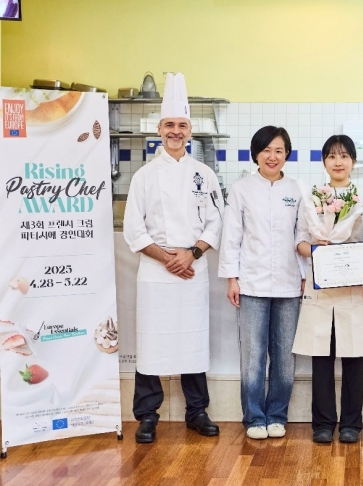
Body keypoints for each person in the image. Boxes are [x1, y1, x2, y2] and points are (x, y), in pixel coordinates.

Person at [123, 73, 222, 444]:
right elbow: (134, 230)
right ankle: (148, 415)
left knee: (192, 338)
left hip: (192, 268)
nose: (175, 132)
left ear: (190, 131)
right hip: (156, 270)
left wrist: (191, 254)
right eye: (169, 125)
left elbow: (216, 221)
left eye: (182, 125)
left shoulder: (204, 174)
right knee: (152, 340)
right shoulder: (144, 176)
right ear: (159, 130)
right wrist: (167, 258)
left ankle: (197, 411)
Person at [292, 135, 363, 444]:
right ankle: (323, 423)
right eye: (332, 156)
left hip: (354, 286)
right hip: (322, 286)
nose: (338, 162)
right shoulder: (313, 197)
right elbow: (299, 241)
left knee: (354, 355)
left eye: (344, 156)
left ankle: (351, 424)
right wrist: (317, 248)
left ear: (353, 161)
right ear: (324, 162)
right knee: (321, 355)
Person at [218, 126, 303, 440]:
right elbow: (231, 237)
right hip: (251, 283)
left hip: (289, 284)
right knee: (253, 355)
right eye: (266, 150)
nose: (272, 156)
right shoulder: (241, 189)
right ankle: (254, 417)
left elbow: (302, 235)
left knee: (284, 356)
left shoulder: (297, 189)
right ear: (256, 153)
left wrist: (305, 276)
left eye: (279, 150)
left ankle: (277, 415)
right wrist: (232, 278)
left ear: (286, 154)